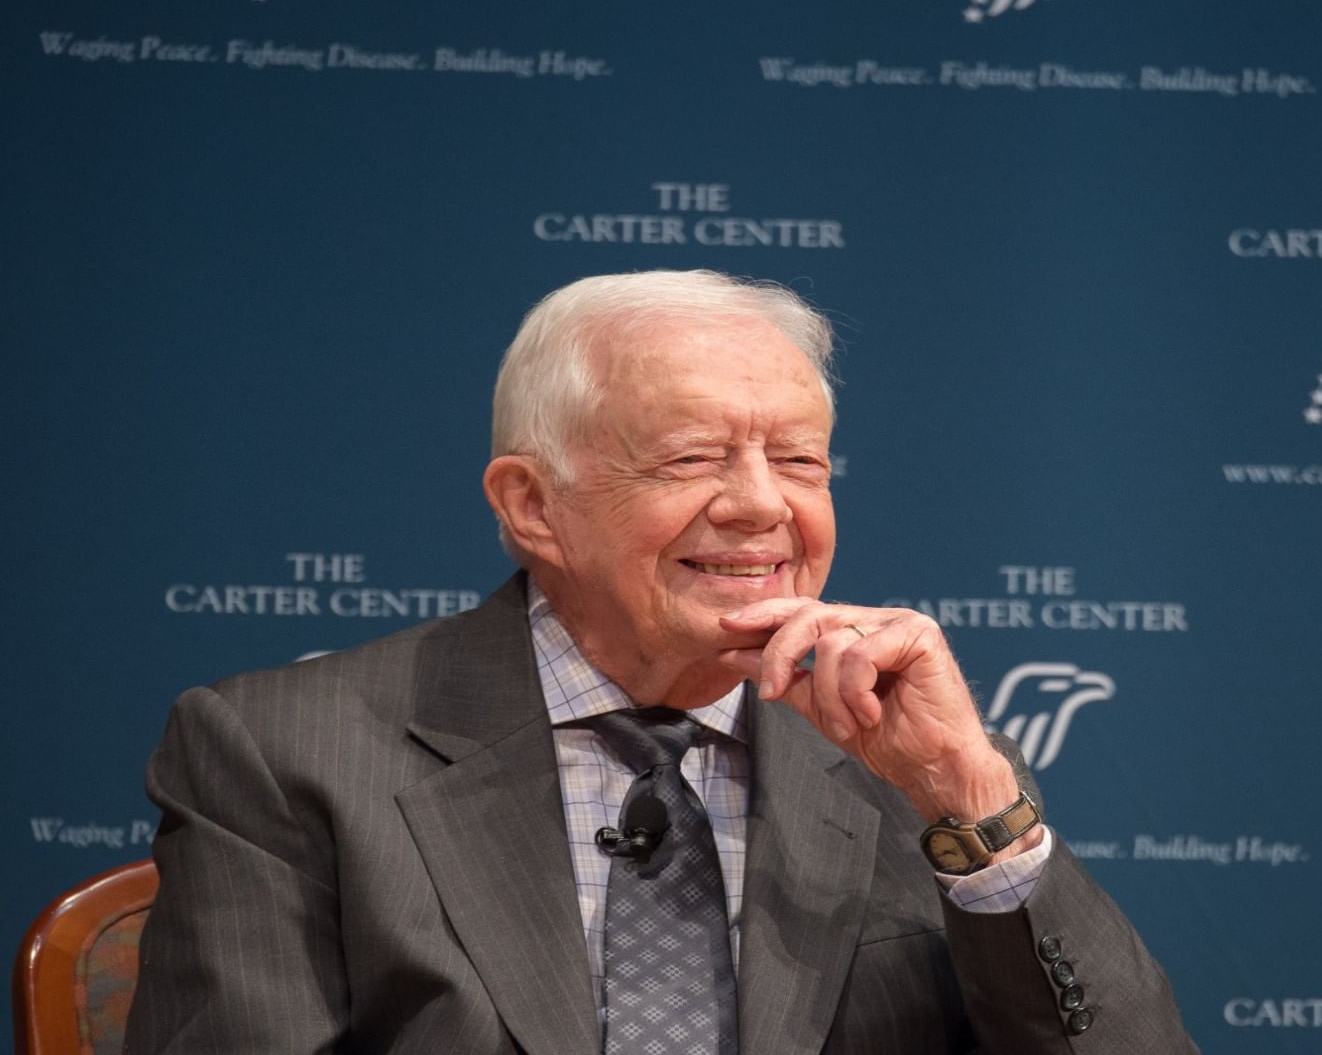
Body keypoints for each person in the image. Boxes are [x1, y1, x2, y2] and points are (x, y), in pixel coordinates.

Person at [126, 270, 1197, 1054]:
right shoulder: (284, 754)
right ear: (532, 505)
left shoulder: (915, 767)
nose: (761, 504)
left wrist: (972, 804)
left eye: (798, 462)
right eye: (691, 460)